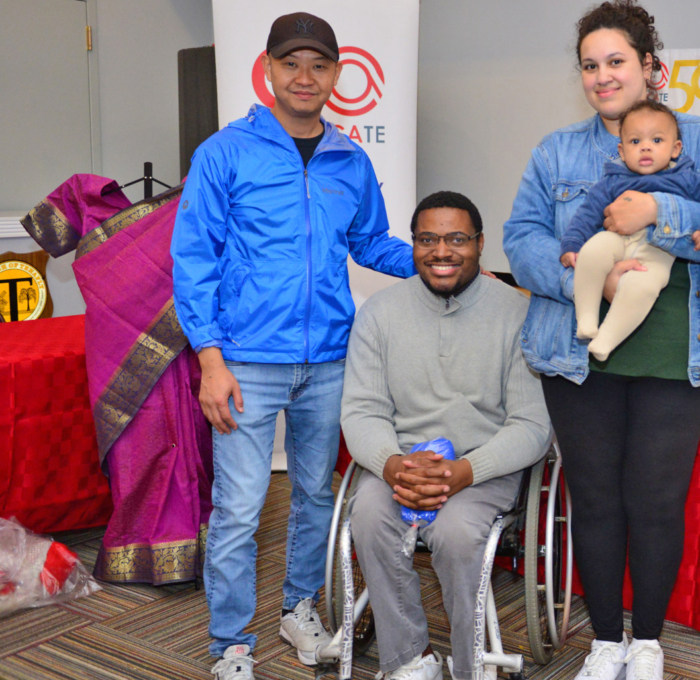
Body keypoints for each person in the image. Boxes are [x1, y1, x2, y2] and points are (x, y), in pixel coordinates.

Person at [502, 2, 700, 679]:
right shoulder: (557, 151)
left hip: (679, 350)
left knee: (654, 499)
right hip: (577, 352)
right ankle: (606, 641)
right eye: (590, 65)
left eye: (616, 61)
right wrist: (581, 282)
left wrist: (660, 210)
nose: (602, 76)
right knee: (593, 497)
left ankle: (647, 641)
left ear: (649, 66)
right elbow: (522, 239)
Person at [170, 12, 416, 680]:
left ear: (337, 74)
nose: (305, 77)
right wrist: (210, 358)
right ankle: (231, 645)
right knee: (241, 508)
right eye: (291, 64)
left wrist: (439, 256)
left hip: (331, 360)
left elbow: (370, 243)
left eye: (319, 65)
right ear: (270, 70)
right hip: (245, 359)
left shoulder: (349, 158)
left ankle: (298, 608)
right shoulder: (225, 153)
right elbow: (193, 260)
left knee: (313, 496)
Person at [340, 191, 553, 680]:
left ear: (479, 244)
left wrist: (464, 472)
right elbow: (362, 410)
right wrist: (394, 464)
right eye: (427, 239)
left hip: (484, 464)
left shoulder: (519, 314)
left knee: (457, 534)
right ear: (412, 245)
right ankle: (409, 659)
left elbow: (531, 425)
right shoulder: (378, 313)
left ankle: (468, 662)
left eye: (457, 239)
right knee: (369, 514)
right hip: (402, 462)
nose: (442, 251)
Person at [22, 176, 212, 587]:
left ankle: (195, 549)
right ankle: (138, 547)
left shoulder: (195, 196)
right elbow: (49, 236)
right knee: (139, 450)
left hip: (181, 353)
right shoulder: (81, 197)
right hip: (117, 357)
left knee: (188, 443)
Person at [560, 99, 700, 361]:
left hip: (657, 248)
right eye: (634, 142)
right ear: (621, 151)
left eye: (656, 140)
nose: (645, 147)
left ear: (676, 148)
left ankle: (607, 339)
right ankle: (586, 319)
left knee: (645, 284)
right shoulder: (612, 180)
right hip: (616, 238)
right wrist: (572, 243)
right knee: (592, 251)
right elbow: (587, 213)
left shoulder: (687, 178)